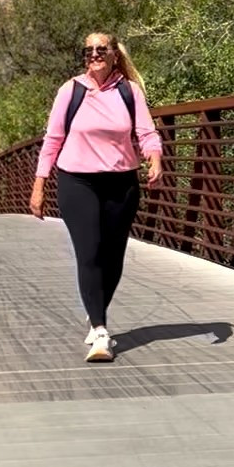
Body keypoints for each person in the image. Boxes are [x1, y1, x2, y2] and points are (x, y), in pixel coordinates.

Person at [30, 33, 163, 362]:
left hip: (122, 184)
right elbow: (53, 138)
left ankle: (94, 313)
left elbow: (146, 132)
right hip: (78, 183)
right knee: (89, 252)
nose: (94, 55)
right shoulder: (70, 90)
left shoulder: (129, 92)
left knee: (113, 257)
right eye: (88, 51)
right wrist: (39, 182)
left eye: (101, 49)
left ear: (114, 55)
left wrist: (155, 158)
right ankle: (101, 331)